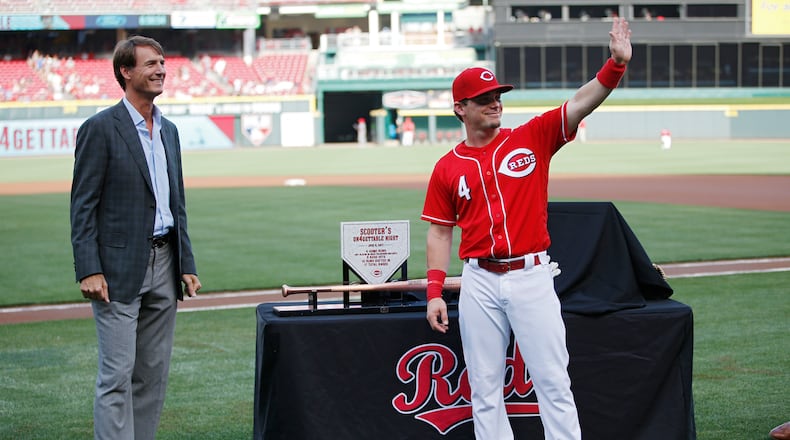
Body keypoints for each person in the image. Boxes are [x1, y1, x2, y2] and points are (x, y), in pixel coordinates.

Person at [421, 18, 632, 439]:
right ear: (460, 108)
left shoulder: (532, 137)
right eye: (482, 99)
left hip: (532, 275)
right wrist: (433, 292)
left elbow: (579, 104)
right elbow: (440, 232)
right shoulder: (447, 167)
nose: (494, 102)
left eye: (496, 95)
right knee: (483, 388)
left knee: (552, 381)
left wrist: (615, 65)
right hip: (478, 280)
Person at [70, 36, 201, 440]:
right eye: (151, 64)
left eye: (163, 63)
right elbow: (83, 206)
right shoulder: (99, 128)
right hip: (117, 268)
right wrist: (89, 268)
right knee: (117, 374)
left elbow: (175, 203)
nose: (161, 69)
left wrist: (187, 264)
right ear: (126, 72)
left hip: (165, 262)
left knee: (152, 374)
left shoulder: (170, 130)